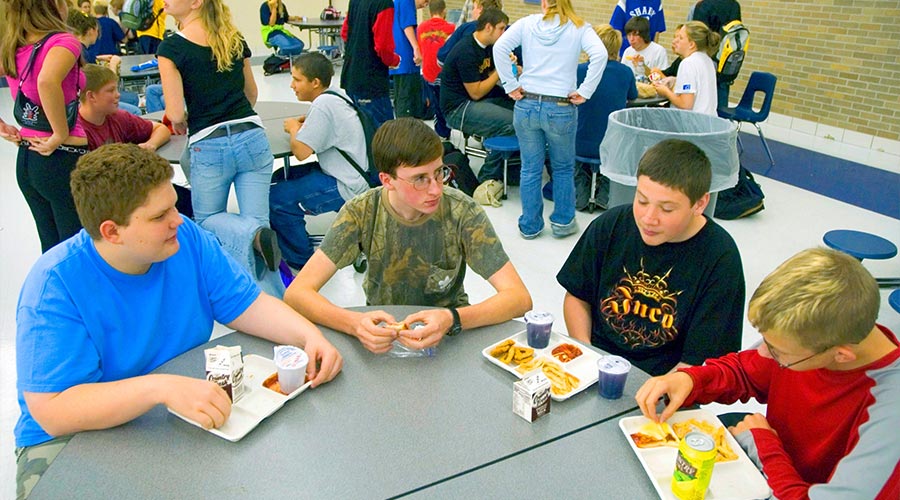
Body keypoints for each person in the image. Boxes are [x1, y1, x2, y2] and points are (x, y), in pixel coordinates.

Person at [14, 143, 343, 499]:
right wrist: (160, 389)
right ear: (112, 231)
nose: (177, 220)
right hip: (72, 438)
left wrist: (308, 336)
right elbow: (53, 411)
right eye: (158, 217)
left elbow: (247, 304)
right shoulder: (56, 285)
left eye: (173, 204)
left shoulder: (184, 236)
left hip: (169, 414)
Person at [635, 248, 900, 498]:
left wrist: (764, 447)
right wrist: (691, 379)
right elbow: (746, 371)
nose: (763, 352)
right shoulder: (818, 337)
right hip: (777, 466)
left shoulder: (888, 420)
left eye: (778, 351)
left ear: (842, 355)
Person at [284, 118, 532, 354]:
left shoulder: (462, 212)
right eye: (420, 179)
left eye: (439, 172)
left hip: (450, 336)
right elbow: (297, 294)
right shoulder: (361, 213)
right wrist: (353, 323)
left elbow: (518, 298)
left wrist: (452, 318)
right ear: (387, 180)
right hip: (384, 336)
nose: (436, 188)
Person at [557, 139, 744, 376]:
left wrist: (657, 391)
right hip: (597, 362)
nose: (648, 218)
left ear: (700, 203)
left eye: (666, 209)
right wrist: (589, 356)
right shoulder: (610, 225)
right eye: (642, 201)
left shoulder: (720, 257)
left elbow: (701, 361)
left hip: (665, 382)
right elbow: (577, 296)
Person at [158, 0, 283, 282]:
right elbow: (251, 94)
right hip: (252, 136)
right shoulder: (233, 38)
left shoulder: (171, 49)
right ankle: (272, 300)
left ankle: (238, 285)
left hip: (209, 143)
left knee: (208, 219)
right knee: (258, 224)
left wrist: (180, 120)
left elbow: (175, 112)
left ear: (195, 2)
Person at [493, 0, 607, 239]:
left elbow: (499, 48)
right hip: (561, 107)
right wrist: (586, 91)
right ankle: (563, 223)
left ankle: (530, 225)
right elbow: (600, 54)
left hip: (526, 104)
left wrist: (510, 84)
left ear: (544, 2)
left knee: (530, 169)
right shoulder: (579, 27)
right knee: (563, 168)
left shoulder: (526, 24)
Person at [269, 53, 370, 271]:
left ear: (315, 83)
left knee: (278, 199)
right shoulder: (335, 95)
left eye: (297, 80)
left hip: (346, 185)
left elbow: (302, 152)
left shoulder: (323, 106)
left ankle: (301, 261)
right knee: (279, 177)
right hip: (352, 172)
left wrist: (295, 129)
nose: (291, 85)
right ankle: (287, 237)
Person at [0, 0, 88, 253]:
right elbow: (47, 81)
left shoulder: (15, 45)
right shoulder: (63, 41)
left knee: (51, 246)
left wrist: (3, 126)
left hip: (28, 159)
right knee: (77, 245)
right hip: (61, 157)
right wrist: (60, 133)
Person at [76, 63, 192, 216]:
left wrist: (150, 144)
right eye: (110, 91)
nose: (118, 95)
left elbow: (161, 129)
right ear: (91, 96)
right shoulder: (76, 132)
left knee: (187, 200)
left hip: (128, 188)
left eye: (116, 88)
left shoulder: (118, 117)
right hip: (107, 199)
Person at [440, 8, 515, 184]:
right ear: (488, 27)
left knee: (521, 110)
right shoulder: (466, 50)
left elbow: (488, 75)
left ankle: (511, 169)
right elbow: (476, 92)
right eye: (501, 28)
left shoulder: (488, 47)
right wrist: (498, 72)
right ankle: (488, 176)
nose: (504, 33)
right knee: (513, 121)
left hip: (478, 100)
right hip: (459, 108)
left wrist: (512, 67)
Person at [573, 24, 637, 209]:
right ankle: (604, 195)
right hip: (611, 147)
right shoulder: (625, 72)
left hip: (580, 144)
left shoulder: (579, 70)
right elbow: (632, 96)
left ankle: (581, 194)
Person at [67, 9, 142, 115]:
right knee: (135, 108)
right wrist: (113, 64)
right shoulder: (84, 54)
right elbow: (104, 84)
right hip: (90, 101)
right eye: (97, 31)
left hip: (82, 99)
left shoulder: (81, 51)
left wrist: (97, 58)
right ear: (91, 30)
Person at [340, 0, 400, 131]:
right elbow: (383, 46)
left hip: (350, 75)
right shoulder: (384, 4)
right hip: (371, 82)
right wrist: (394, 60)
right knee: (385, 134)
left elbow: (345, 33)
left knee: (360, 131)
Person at [653, 21, 719, 116]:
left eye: (680, 38)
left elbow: (685, 104)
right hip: (709, 121)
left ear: (691, 44)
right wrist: (675, 80)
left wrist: (665, 91)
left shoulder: (688, 63)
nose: (674, 41)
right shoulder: (707, 60)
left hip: (692, 124)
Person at [691, 0, 741, 110]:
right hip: (727, 61)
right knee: (721, 106)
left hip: (706, 57)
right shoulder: (734, 5)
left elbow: (696, 35)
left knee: (703, 101)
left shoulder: (703, 6)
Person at [417, 0, 455, 139]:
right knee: (445, 105)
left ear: (430, 11)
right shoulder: (451, 28)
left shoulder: (421, 28)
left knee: (435, 106)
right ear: (444, 10)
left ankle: (441, 133)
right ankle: (445, 132)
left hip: (427, 73)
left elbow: (421, 51)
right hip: (444, 75)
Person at [390, 0, 428, 118]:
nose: (426, 4)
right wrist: (416, 48)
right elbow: (407, 25)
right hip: (406, 59)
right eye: (426, 0)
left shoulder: (397, 2)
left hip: (397, 58)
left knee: (400, 97)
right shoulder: (407, 1)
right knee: (407, 102)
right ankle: (406, 133)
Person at [436, 0, 502, 66]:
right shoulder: (501, 31)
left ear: (480, 9)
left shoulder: (466, 28)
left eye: (473, 8)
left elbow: (441, 59)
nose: (472, 11)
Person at [621, 16, 668, 80]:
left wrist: (643, 67)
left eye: (635, 35)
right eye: (629, 35)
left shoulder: (659, 51)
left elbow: (662, 80)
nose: (631, 39)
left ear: (644, 35)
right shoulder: (628, 51)